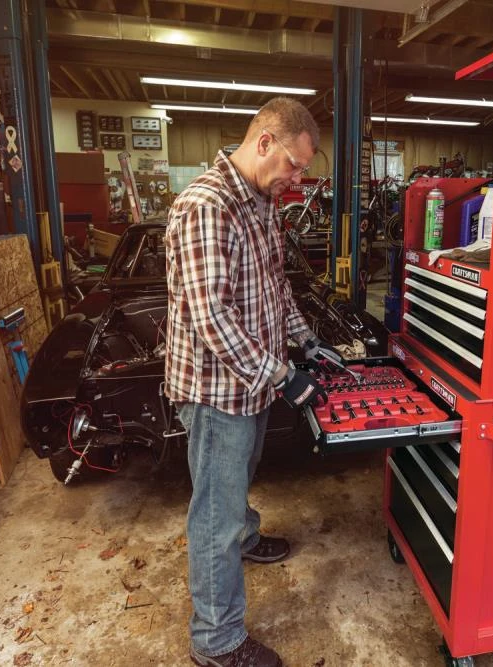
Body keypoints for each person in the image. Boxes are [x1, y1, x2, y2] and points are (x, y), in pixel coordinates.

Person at [165, 97, 343, 667]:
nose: (297, 179)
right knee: (213, 515)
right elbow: (209, 316)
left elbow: (273, 286)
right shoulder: (207, 207)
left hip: (254, 383)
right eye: (294, 164)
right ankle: (216, 641)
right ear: (265, 141)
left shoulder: (261, 202)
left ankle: (244, 538)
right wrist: (283, 377)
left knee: (236, 483)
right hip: (218, 391)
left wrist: (306, 340)